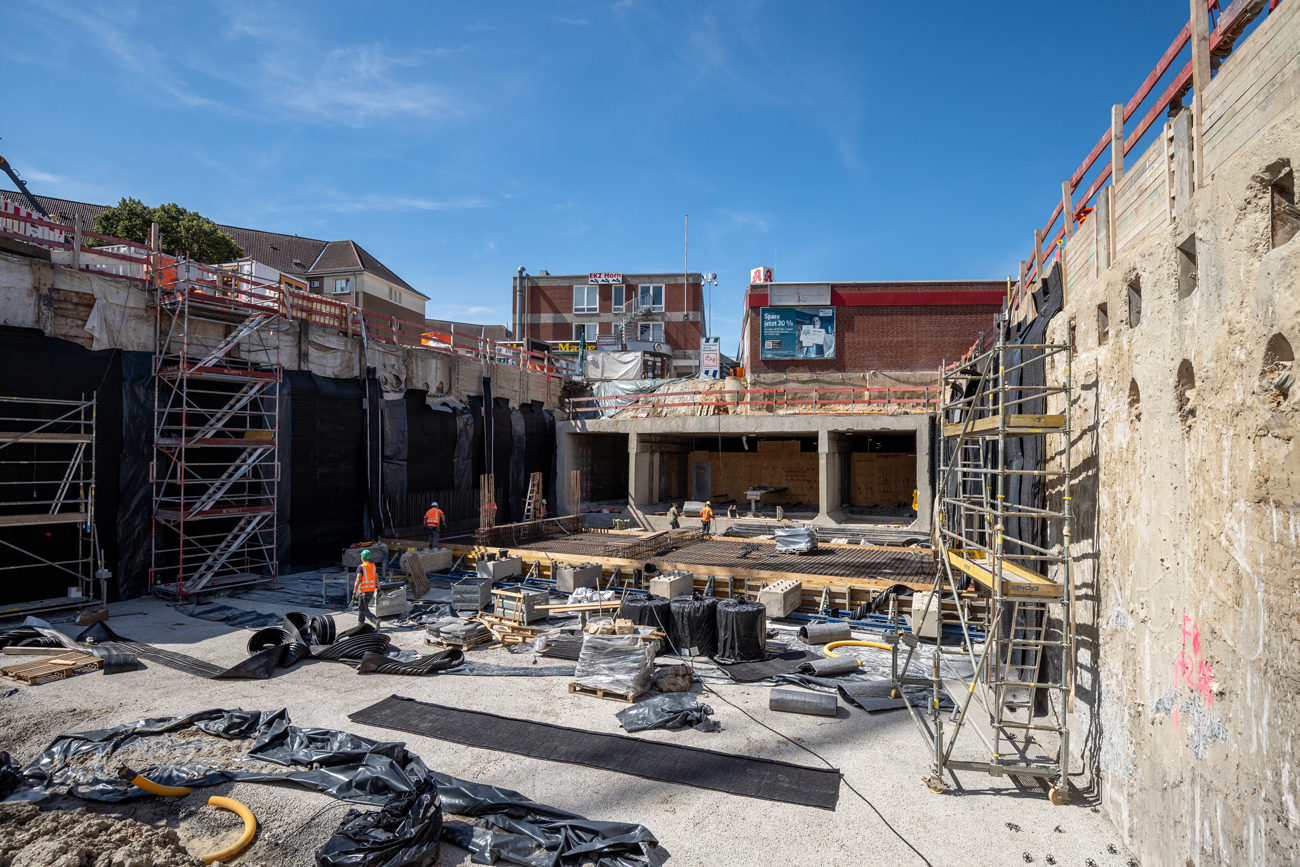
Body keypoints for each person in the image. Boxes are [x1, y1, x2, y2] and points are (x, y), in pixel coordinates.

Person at [354, 548, 379, 627]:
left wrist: (354, 592)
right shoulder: (373, 566)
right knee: (363, 606)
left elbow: (358, 580)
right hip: (371, 590)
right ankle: (360, 623)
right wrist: (379, 589)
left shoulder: (361, 567)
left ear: (362, 558)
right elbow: (377, 579)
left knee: (362, 608)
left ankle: (375, 620)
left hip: (363, 591)